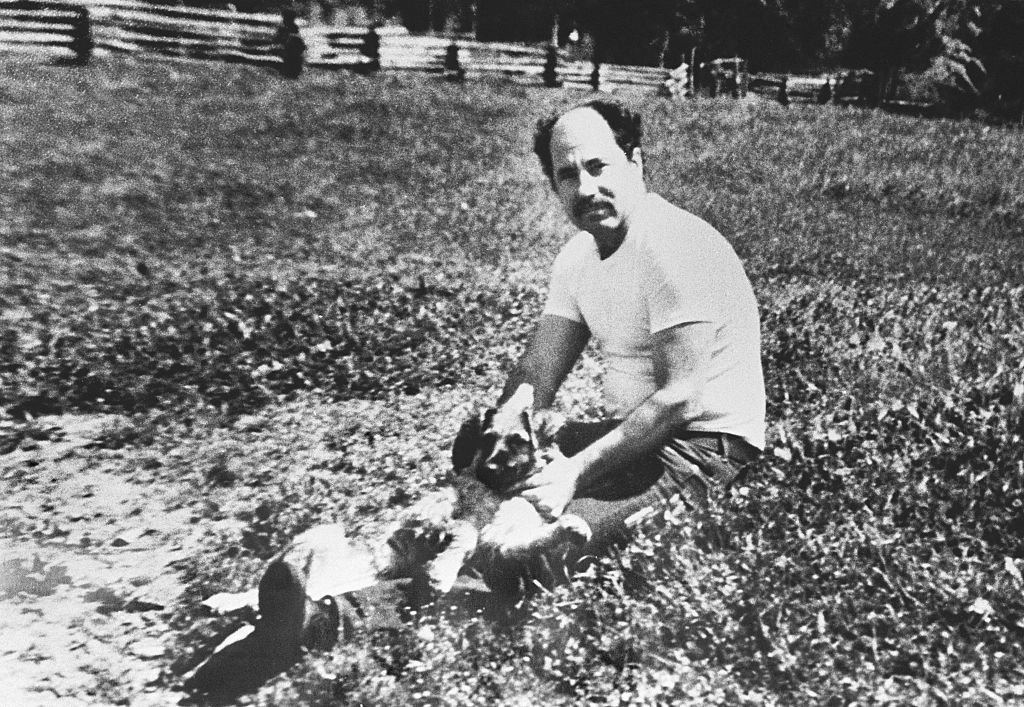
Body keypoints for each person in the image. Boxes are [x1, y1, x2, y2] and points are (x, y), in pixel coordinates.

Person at [487, 98, 766, 590]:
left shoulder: (673, 244)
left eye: (598, 166)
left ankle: (343, 618)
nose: (586, 188)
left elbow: (680, 398)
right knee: (485, 465)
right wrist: (508, 434)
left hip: (705, 452)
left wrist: (573, 472)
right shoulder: (578, 257)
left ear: (635, 163)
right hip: (635, 439)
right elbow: (538, 370)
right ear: (554, 186)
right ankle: (373, 568)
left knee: (548, 550)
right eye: (568, 175)